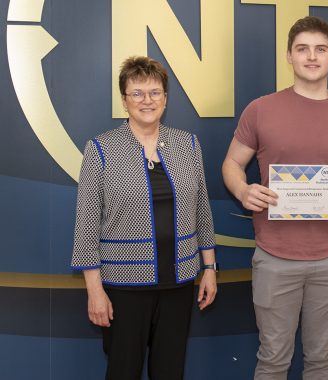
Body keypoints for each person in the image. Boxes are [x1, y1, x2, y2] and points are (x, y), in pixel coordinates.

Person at [222, 16, 328, 380]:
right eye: (302, 49)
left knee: (322, 360)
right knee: (273, 360)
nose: (312, 57)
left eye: (320, 49)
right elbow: (231, 163)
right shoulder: (261, 110)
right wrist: (243, 190)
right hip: (274, 258)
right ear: (289, 56)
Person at [71, 56, 218, 380]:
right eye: (137, 93)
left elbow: (202, 212)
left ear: (165, 98)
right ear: (124, 100)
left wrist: (209, 268)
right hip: (123, 288)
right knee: (123, 370)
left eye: (154, 92)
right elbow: (86, 226)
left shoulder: (187, 144)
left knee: (170, 371)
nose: (146, 100)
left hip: (179, 283)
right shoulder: (100, 149)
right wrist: (95, 292)